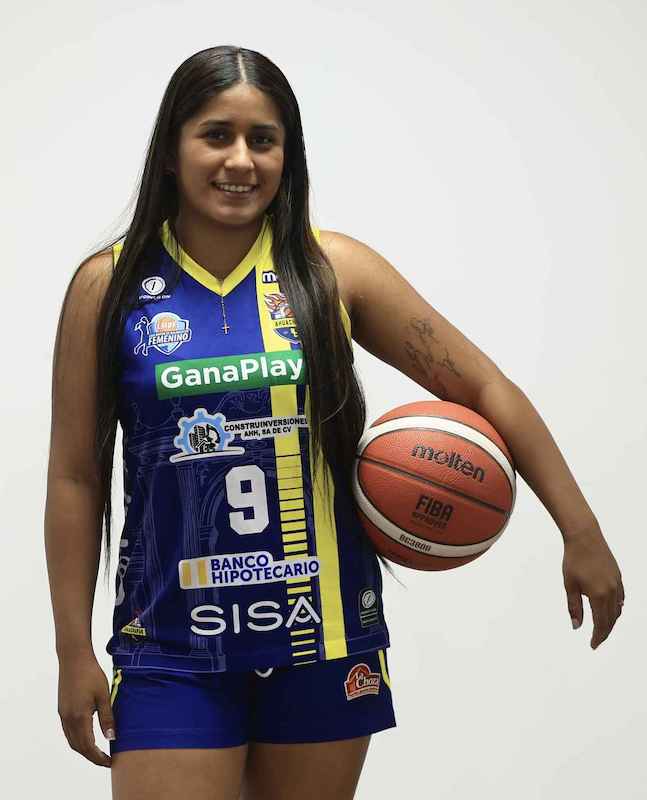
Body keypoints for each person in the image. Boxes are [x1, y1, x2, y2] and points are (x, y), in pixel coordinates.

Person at [44, 45, 625, 800]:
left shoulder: (331, 271)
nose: (241, 160)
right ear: (172, 149)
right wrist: (72, 649)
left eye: (263, 139)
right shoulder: (111, 286)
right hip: (171, 646)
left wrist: (580, 528)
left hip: (323, 638)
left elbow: (485, 386)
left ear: (288, 153)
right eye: (216, 134)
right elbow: (75, 477)